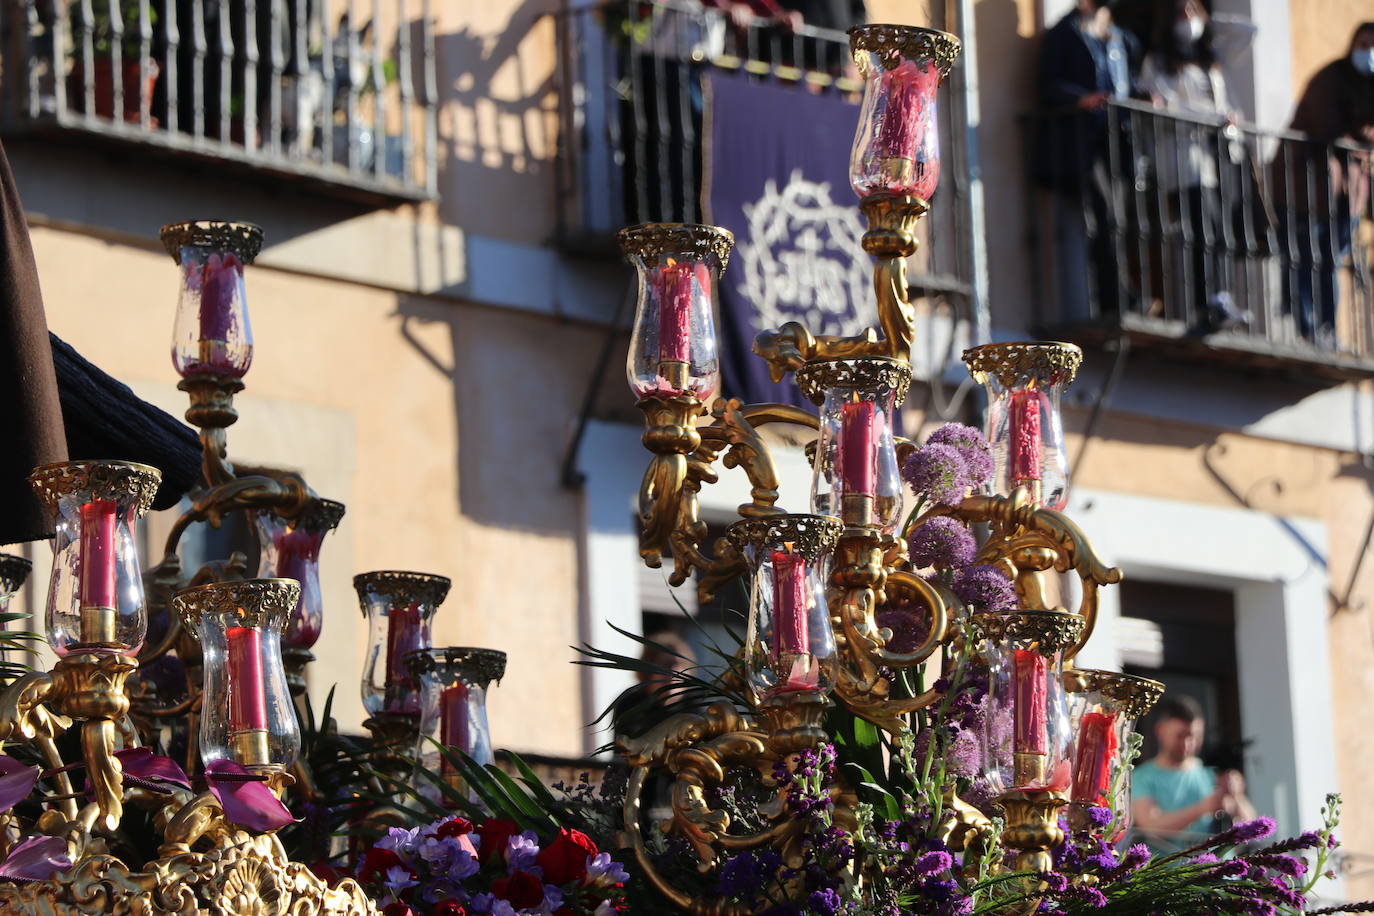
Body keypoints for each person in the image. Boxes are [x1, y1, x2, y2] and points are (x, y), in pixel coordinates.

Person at [1140, 0, 1254, 331]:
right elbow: (1165, 108)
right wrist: (1214, 119)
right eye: (1180, 12)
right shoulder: (1159, 62)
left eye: (1193, 11)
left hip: (1219, 155)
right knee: (1201, 228)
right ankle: (1209, 301)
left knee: (1220, 228)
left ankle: (1221, 297)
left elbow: (1249, 32)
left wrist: (1210, 19)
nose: (1187, 18)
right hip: (1185, 156)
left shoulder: (1211, 60)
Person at [1034, 0, 1150, 320]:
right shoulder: (1065, 33)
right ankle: (1116, 299)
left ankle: (1121, 295)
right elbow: (1048, 85)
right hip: (1083, 142)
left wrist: (1143, 96)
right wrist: (1081, 98)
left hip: (1117, 140)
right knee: (1105, 214)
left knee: (1120, 220)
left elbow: (1127, 83)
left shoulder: (1122, 38)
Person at [1276, 22, 1374, 348]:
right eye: (1363, 44)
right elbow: (1325, 127)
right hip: (1309, 185)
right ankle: (1307, 327)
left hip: (1348, 192)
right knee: (1309, 257)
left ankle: (1328, 330)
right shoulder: (1331, 78)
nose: (1368, 52)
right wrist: (1358, 141)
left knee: (1330, 260)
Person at [1132, 695, 1257, 854]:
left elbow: (1251, 827)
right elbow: (1151, 826)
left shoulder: (1212, 774)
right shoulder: (1142, 777)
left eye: (1194, 736)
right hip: (1173, 875)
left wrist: (1236, 796)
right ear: (1160, 731)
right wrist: (1203, 808)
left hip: (1221, 873)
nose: (1187, 744)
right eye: (1180, 735)